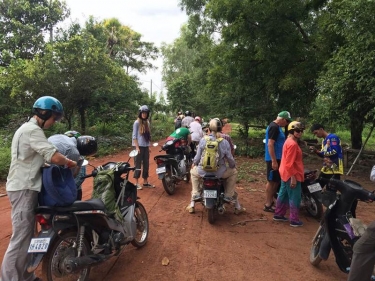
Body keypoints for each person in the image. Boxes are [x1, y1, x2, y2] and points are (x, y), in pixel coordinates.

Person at [1, 96, 78, 281]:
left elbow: (32, 157)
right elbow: (54, 156)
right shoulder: (33, 131)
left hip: (24, 186)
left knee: (28, 236)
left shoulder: (25, 129)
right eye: (55, 118)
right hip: (23, 189)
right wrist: (70, 163)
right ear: (44, 113)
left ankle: (26, 277)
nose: (54, 122)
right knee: (20, 238)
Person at [188, 118, 245, 215]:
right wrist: (232, 166)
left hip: (203, 172)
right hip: (220, 173)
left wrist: (195, 163)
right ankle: (228, 195)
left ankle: (196, 193)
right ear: (220, 129)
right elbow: (230, 159)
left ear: (209, 128)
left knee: (193, 172)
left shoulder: (203, 140)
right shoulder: (224, 142)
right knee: (234, 172)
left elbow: (197, 157)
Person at [308, 124, 349, 213]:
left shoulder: (333, 138)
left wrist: (319, 151)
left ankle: (330, 212)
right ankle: (313, 204)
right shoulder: (324, 141)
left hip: (335, 168)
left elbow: (334, 152)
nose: (316, 135)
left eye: (316, 132)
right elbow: (323, 154)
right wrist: (316, 151)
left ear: (321, 129)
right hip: (327, 168)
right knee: (316, 186)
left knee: (331, 190)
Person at [48, 131, 98, 200]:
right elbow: (71, 176)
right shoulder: (74, 152)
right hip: (49, 179)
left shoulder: (60, 136)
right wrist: (79, 164)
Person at [273, 121, 305, 227]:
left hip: (285, 172)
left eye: (301, 131)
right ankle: (294, 220)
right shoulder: (292, 144)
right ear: (292, 131)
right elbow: (289, 163)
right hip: (291, 173)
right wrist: (293, 177)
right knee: (295, 196)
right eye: (297, 131)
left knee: (284, 194)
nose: (300, 133)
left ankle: (278, 214)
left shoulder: (289, 141)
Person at [263, 111, 292, 213]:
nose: (287, 123)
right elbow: (270, 144)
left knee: (275, 181)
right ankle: (268, 204)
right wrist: (274, 161)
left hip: (278, 158)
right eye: (287, 121)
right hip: (274, 158)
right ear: (283, 119)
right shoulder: (274, 127)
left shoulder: (277, 127)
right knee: (271, 182)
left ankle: (271, 201)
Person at [132, 105, 153, 190]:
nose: (144, 114)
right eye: (143, 113)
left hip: (145, 146)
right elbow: (134, 136)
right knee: (137, 164)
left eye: (146, 113)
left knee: (146, 164)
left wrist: (149, 146)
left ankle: (145, 181)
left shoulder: (147, 122)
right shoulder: (136, 123)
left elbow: (148, 135)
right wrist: (137, 147)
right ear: (140, 113)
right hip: (138, 146)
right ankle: (136, 183)